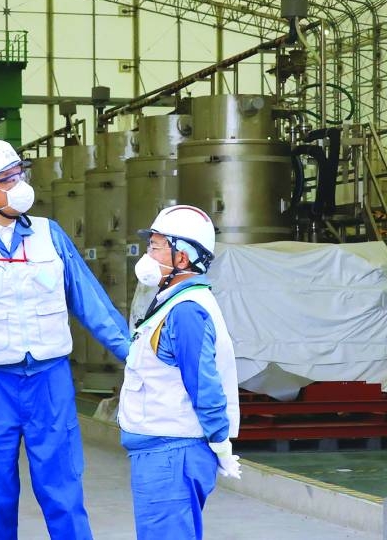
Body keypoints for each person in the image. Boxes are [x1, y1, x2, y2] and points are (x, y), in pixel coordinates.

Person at [0, 139, 132, 540]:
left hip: (49, 382)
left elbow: (93, 303)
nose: (21, 184)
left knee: (63, 493)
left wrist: (136, 357)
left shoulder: (50, 235)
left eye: (20, 174)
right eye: (9, 178)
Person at [118, 205, 241, 540]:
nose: (148, 255)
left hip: (171, 453)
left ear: (182, 259)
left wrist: (219, 440)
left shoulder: (186, 311)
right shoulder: (172, 303)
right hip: (164, 451)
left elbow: (204, 384)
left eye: (156, 247)